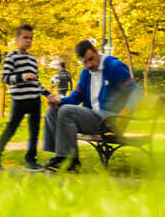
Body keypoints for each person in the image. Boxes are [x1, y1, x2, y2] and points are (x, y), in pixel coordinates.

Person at [38, 39, 142, 173]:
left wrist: (127, 112)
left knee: (66, 111)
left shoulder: (114, 67)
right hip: (93, 117)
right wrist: (59, 101)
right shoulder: (86, 73)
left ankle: (70, 161)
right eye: (85, 62)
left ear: (96, 52)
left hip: (110, 120)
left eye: (91, 59)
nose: (89, 64)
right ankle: (60, 157)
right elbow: (76, 97)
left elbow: (136, 91)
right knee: (53, 111)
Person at [0, 24, 50, 170]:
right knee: (11, 128)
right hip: (20, 100)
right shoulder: (12, 57)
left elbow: (36, 82)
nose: (28, 41)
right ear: (17, 39)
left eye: (31, 38)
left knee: (34, 131)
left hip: (34, 100)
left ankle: (31, 160)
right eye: (25, 37)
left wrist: (48, 94)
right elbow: (5, 78)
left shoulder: (32, 59)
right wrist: (23, 76)